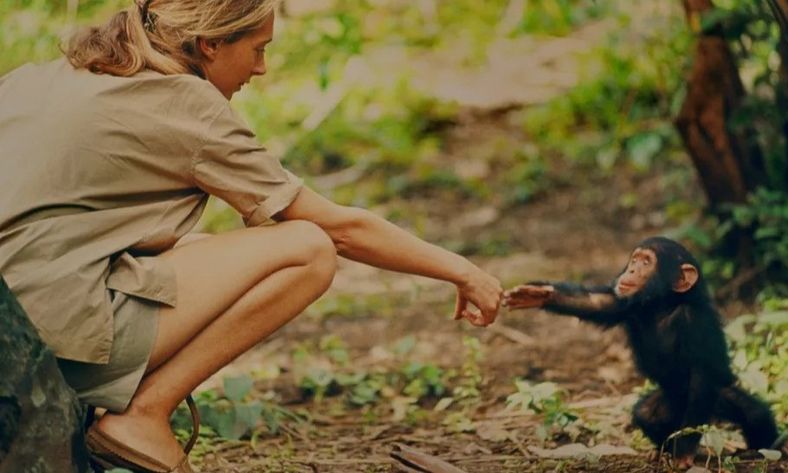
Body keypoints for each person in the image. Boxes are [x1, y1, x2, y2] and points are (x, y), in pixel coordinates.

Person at [0, 1, 502, 471]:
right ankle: (144, 414)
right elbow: (340, 230)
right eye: (258, 49)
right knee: (306, 249)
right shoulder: (185, 104)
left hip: (13, 324)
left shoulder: (37, 79)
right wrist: (462, 271)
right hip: (51, 339)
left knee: (198, 250)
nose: (261, 69)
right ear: (211, 43)